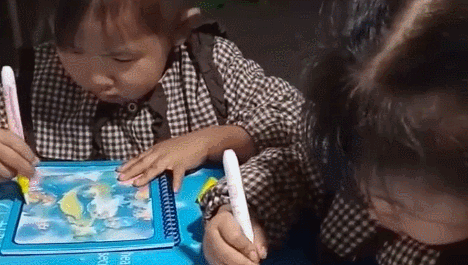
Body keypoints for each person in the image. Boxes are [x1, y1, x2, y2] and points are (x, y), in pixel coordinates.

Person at [201, 0, 468, 265]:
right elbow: (288, 168)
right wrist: (240, 213)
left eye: (399, 206)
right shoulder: (357, 156)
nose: (369, 205)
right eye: (357, 179)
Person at [0, 0, 304, 192]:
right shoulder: (33, 80)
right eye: (73, 51)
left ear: (179, 31)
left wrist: (212, 140)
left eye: (121, 59)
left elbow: (296, 119)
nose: (94, 78)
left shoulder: (210, 68)